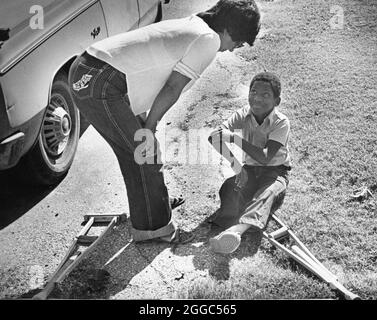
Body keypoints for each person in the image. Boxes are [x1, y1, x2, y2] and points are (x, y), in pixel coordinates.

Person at [68, 0, 261, 244]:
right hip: (100, 81)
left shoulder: (196, 24)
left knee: (140, 153)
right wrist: (150, 127)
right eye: (239, 42)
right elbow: (172, 87)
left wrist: (148, 127)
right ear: (231, 29)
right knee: (143, 152)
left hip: (90, 70)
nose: (234, 49)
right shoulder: (208, 40)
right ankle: (155, 229)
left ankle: (152, 209)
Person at [208, 72, 292, 254]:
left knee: (266, 193)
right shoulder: (243, 114)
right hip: (250, 169)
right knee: (230, 187)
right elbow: (214, 137)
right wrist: (237, 167)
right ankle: (228, 224)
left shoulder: (281, 122)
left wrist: (236, 139)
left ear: (277, 101)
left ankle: (237, 231)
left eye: (265, 95)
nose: (257, 98)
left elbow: (265, 157)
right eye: (253, 92)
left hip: (276, 171)